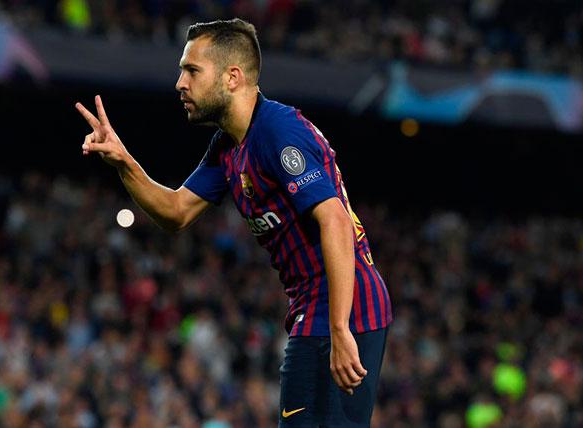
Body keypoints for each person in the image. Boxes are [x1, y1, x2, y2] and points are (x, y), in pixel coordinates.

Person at [77, 18, 392, 428]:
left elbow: (334, 219)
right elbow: (176, 211)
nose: (180, 83)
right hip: (313, 307)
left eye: (192, 70)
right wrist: (124, 162)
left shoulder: (277, 129)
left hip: (344, 305)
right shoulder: (228, 146)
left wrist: (340, 327)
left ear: (232, 77)